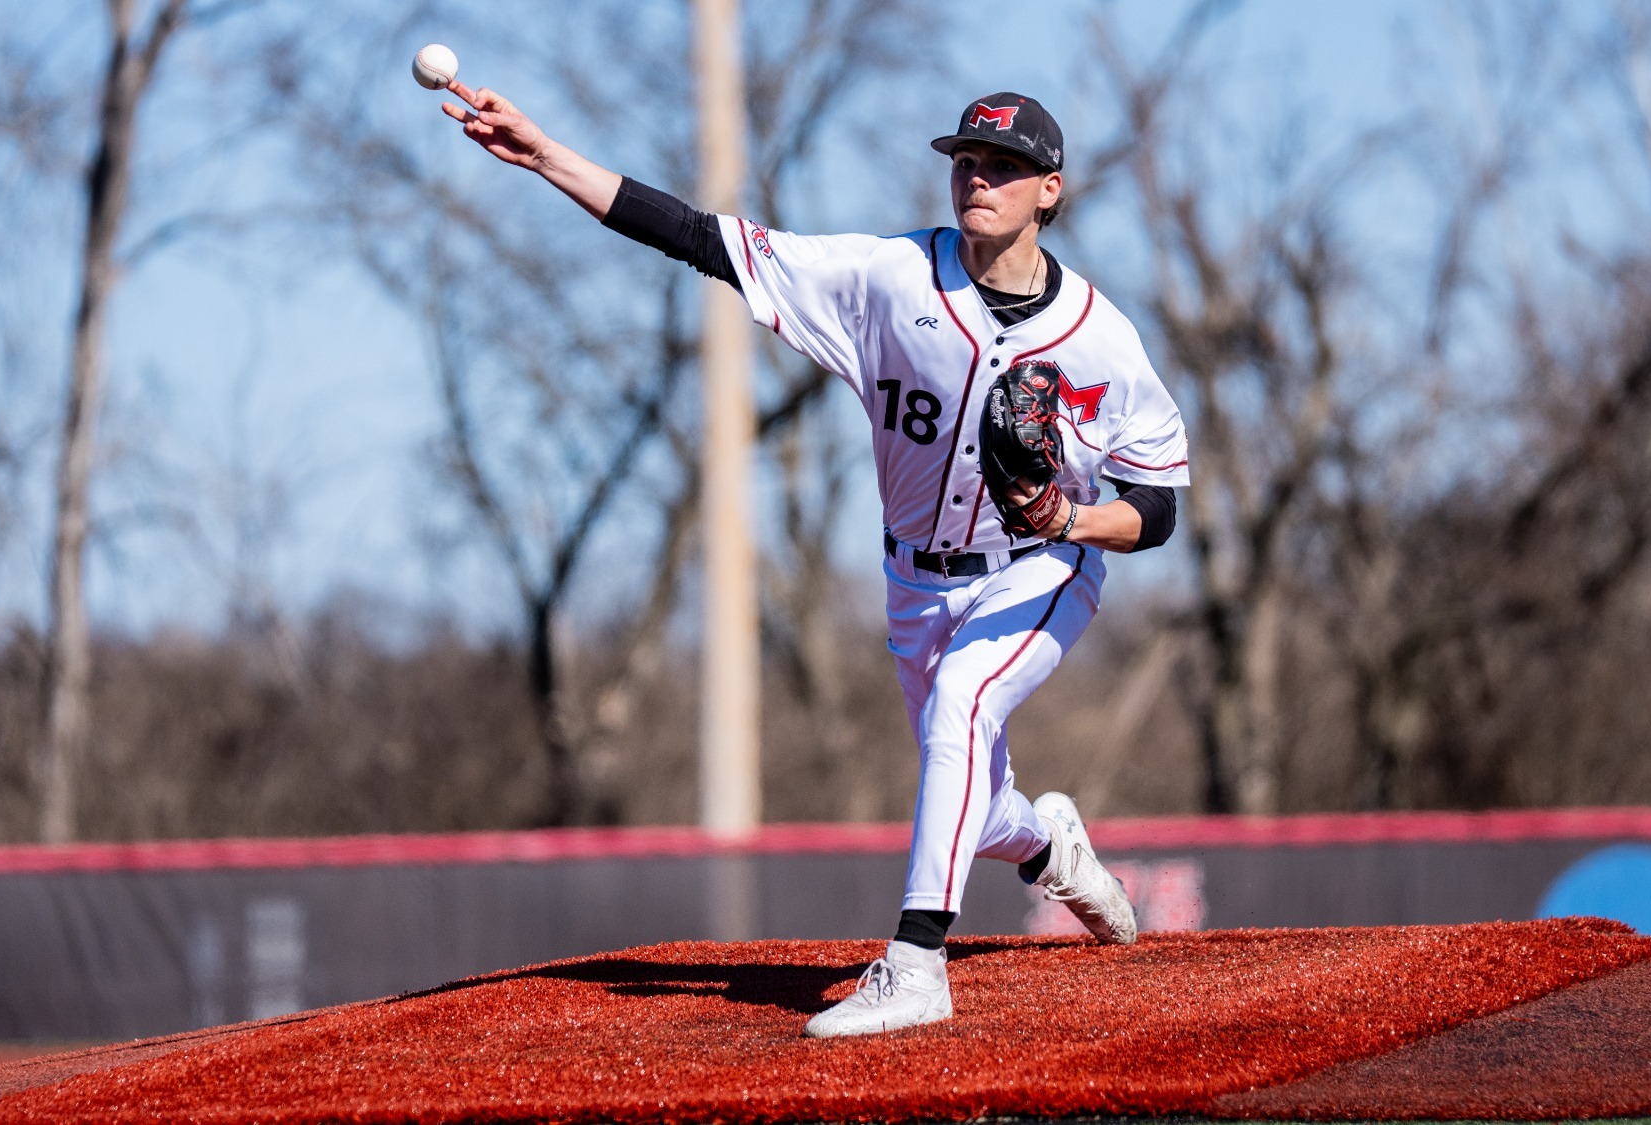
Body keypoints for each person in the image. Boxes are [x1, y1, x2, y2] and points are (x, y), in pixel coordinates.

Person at [440, 82, 1189, 1038]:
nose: (976, 177)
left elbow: (1158, 508)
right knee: (975, 792)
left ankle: (916, 965)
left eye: (1003, 166)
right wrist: (548, 155)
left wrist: (1070, 518)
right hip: (914, 580)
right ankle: (1052, 849)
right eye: (965, 159)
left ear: (1050, 190)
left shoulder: (1101, 338)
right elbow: (702, 238)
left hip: (1037, 568)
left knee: (963, 703)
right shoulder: (886, 277)